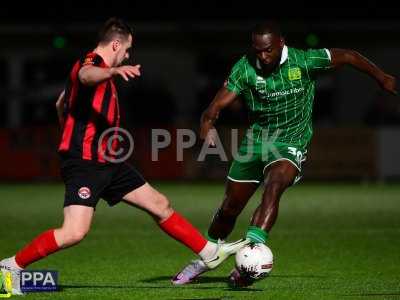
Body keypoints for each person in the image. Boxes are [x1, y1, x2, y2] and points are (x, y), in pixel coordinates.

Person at [0, 18, 248, 295]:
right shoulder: (93, 63)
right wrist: (113, 72)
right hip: (87, 163)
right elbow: (85, 75)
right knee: (74, 232)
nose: (128, 55)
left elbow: (61, 102)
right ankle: (10, 267)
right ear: (116, 44)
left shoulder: (99, 71)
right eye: (127, 49)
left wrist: (69, 128)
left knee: (159, 204)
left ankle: (209, 251)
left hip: (108, 161)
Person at [172, 21, 397, 286]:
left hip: (291, 141)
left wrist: (381, 77)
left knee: (275, 183)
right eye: (257, 51)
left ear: (281, 43)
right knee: (228, 209)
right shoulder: (245, 67)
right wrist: (207, 125)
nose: (262, 56)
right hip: (256, 142)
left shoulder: (304, 61)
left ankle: (251, 258)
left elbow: (348, 55)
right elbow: (215, 106)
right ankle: (206, 258)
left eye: (267, 50)